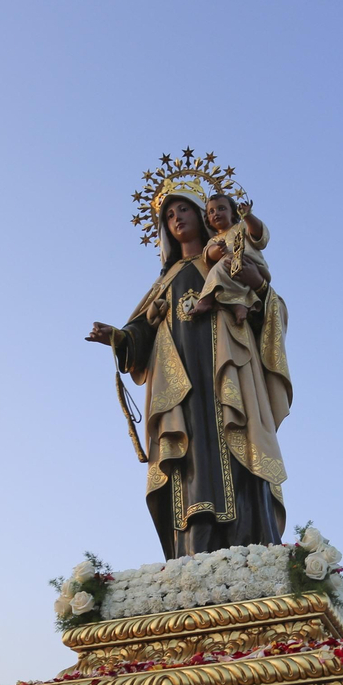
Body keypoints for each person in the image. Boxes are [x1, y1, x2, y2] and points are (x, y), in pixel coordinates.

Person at [88, 174, 292, 560]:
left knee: (239, 447)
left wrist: (260, 289)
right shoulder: (166, 280)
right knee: (191, 457)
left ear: (205, 214)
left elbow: (270, 307)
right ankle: (194, 553)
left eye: (184, 209)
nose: (177, 218)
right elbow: (140, 332)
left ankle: (254, 547)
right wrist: (119, 337)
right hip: (181, 387)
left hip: (228, 373)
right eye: (168, 215)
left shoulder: (228, 254)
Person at [193, 195, 270, 325]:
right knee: (224, 270)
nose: (216, 213)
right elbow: (209, 253)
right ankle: (238, 306)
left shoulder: (242, 227)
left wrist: (248, 216)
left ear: (233, 212)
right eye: (211, 212)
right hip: (229, 269)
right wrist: (218, 250)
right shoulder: (214, 240)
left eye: (221, 208)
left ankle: (205, 300)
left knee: (220, 267)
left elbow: (259, 235)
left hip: (248, 262)